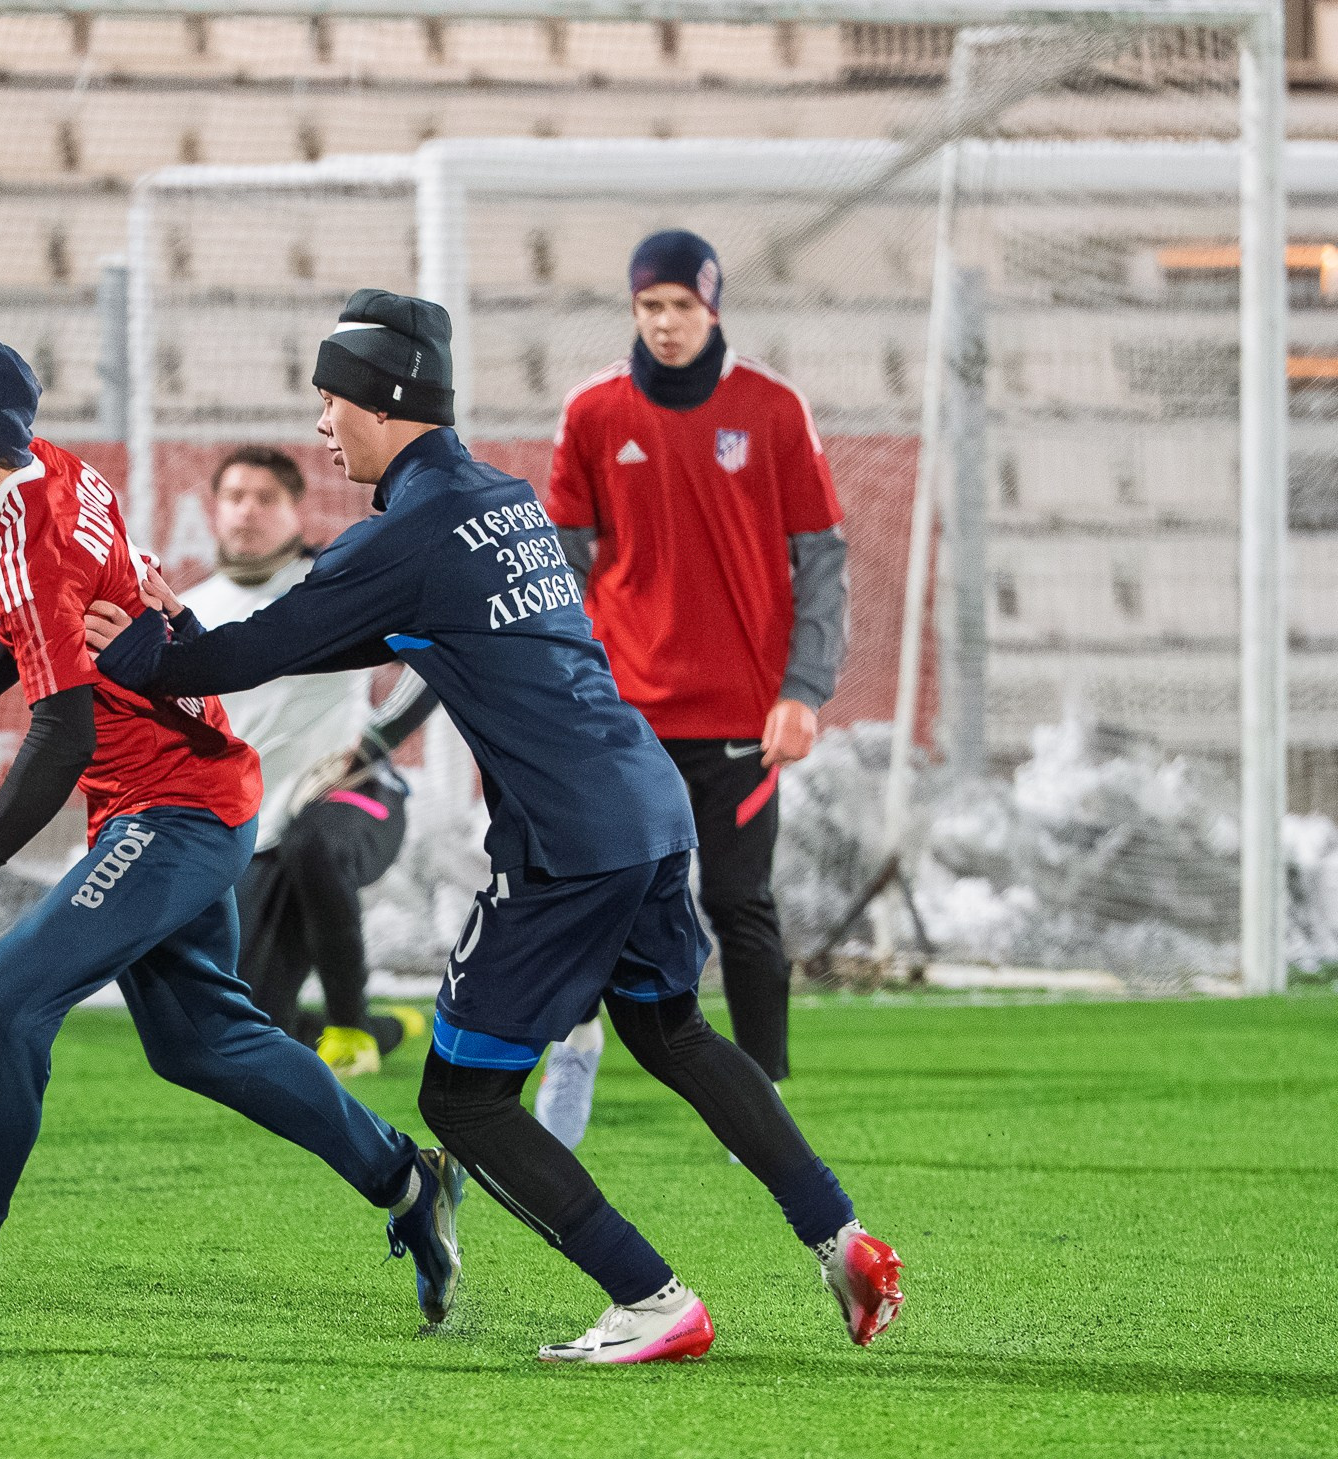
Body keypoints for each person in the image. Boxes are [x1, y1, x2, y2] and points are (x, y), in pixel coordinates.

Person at [86, 289, 901, 1365]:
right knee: (672, 1034)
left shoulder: (407, 531)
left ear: (381, 402)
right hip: (645, 804)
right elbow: (329, 628)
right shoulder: (495, 498)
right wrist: (182, 628)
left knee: (461, 1099)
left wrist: (138, 647)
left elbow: (257, 648)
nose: (322, 426)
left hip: (565, 842)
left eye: (329, 402)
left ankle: (650, 1299)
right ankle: (840, 1237)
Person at [0, 332, 461, 1329]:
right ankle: (407, 1182)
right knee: (203, 1042)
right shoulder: (50, 477)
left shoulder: (30, 527)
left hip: (177, 808)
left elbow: (63, 732)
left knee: (1, 1000)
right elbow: (35, 621)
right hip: (193, 795)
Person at [532, 230, 850, 1151]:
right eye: (649, 306)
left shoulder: (773, 407)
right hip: (625, 712)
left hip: (744, 718)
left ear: (712, 308)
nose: (665, 323)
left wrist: (806, 688)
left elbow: (822, 560)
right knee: (598, 889)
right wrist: (562, 689)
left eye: (681, 305)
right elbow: (563, 563)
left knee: (740, 904)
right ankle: (575, 1045)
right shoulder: (593, 411)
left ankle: (768, 1096)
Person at [185, 445, 439, 1076]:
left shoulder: (332, 586)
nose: (248, 511)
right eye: (234, 497)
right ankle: (376, 1029)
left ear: (296, 511)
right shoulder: (187, 611)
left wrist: (373, 744)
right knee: (230, 1032)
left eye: (266, 498)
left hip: (355, 795)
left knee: (313, 842)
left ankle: (351, 1026)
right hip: (253, 833)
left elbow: (437, 650)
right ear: (213, 511)